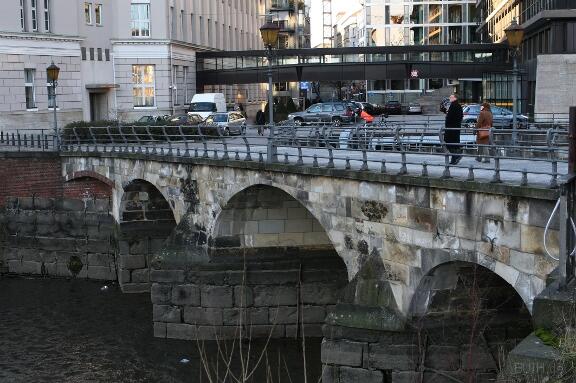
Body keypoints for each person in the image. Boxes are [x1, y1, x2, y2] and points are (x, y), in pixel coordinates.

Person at [444, 94, 464, 165]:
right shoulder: (458, 106)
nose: (450, 98)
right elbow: (461, 116)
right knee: (454, 143)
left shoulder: (453, 106)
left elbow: (449, 117)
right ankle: (455, 157)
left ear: (455, 98)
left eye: (451, 97)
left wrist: (448, 116)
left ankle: (456, 155)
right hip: (456, 128)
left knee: (448, 142)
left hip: (451, 128)